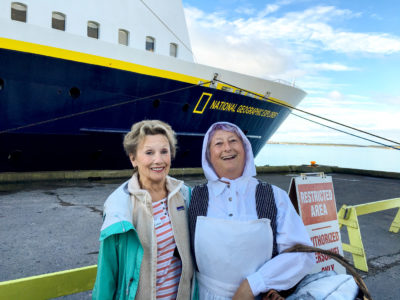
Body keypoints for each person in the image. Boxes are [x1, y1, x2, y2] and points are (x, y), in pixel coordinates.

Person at [188, 121, 315, 300]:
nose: (227, 148)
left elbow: (301, 254)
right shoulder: (192, 197)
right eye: (218, 143)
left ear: (245, 148)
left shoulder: (275, 196)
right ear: (208, 155)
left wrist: (253, 284)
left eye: (233, 141)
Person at [92, 120, 194, 300]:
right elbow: (107, 273)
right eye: (149, 152)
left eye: (164, 151)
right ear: (133, 159)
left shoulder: (185, 196)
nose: (159, 160)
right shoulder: (119, 207)